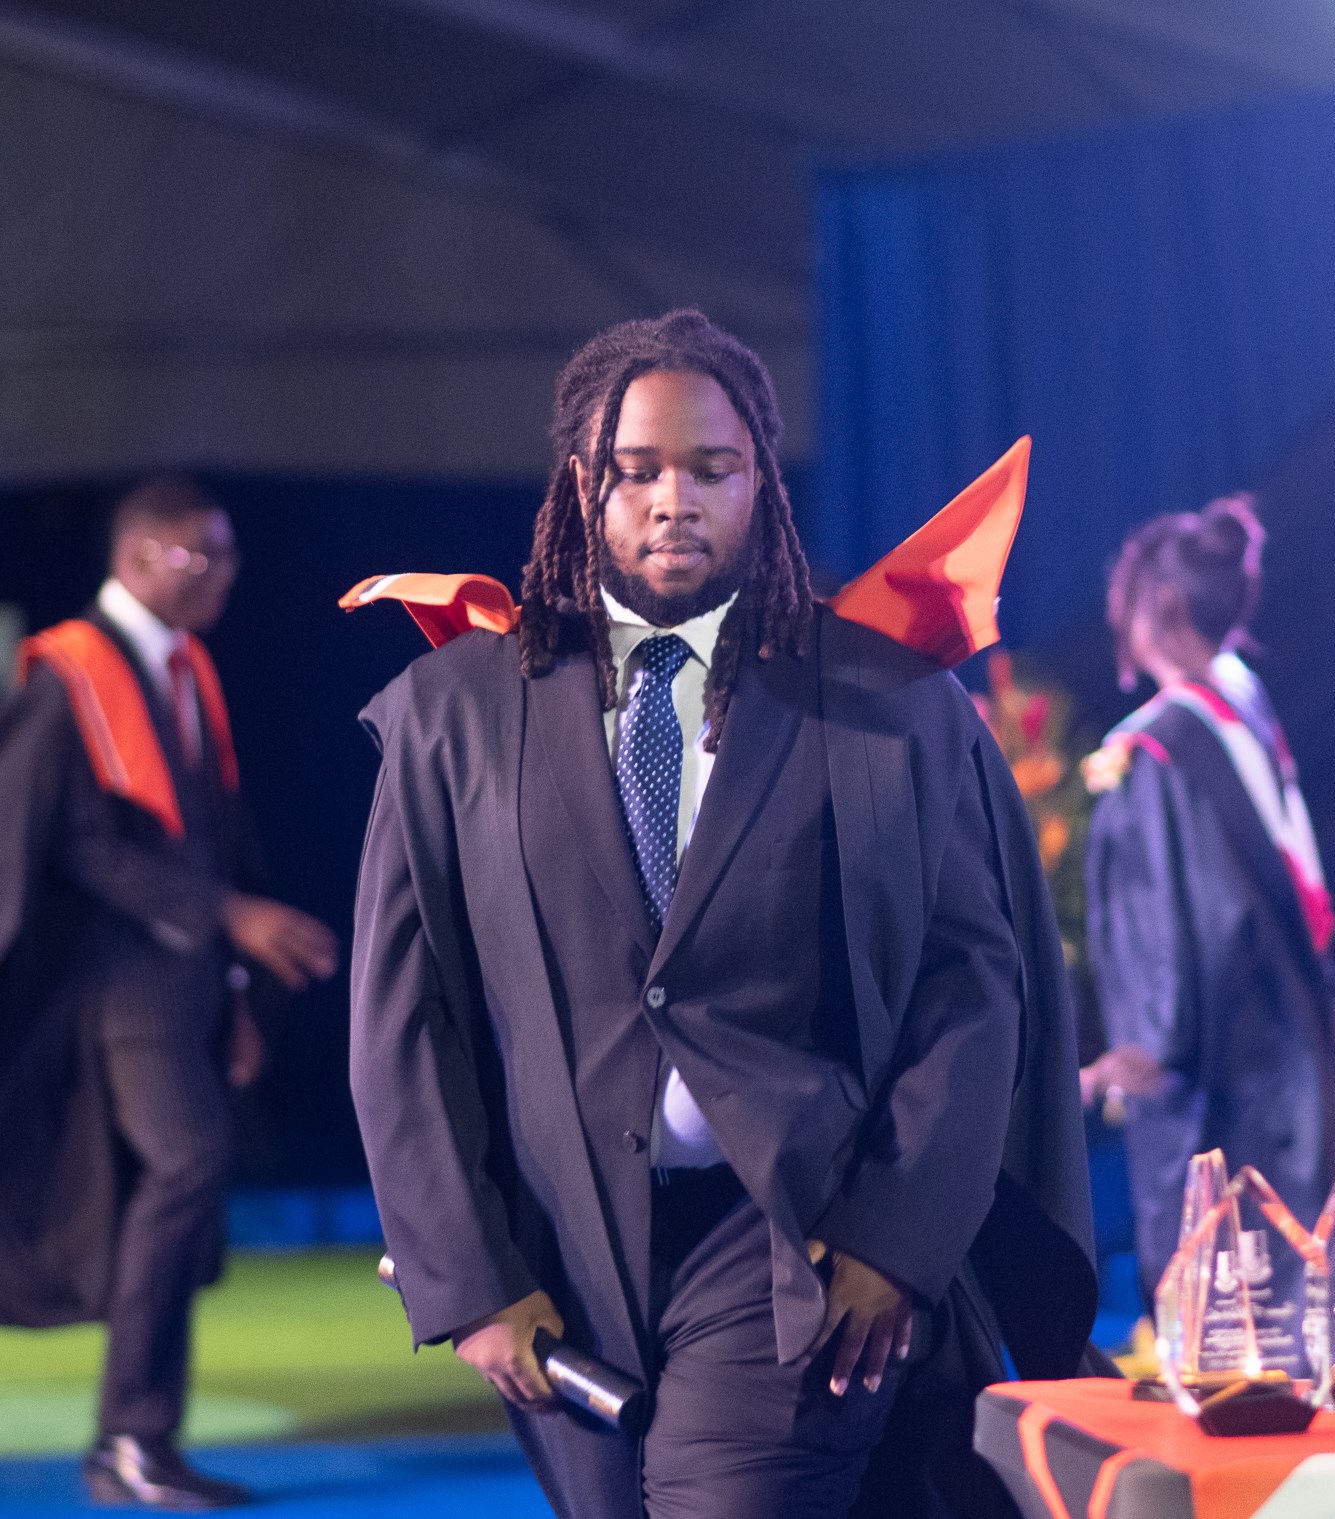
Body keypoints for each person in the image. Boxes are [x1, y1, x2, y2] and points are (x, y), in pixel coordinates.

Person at [347, 310, 1094, 1519]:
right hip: (565, 1250)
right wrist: (467, 1275)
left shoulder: (882, 705)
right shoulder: (453, 716)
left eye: (711, 469)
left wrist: (897, 1234)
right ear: (580, 487)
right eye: (635, 471)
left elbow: (970, 987)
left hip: (794, 1237)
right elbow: (401, 1017)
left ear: (762, 484)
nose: (673, 502)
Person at [0, 475, 339, 1508]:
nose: (227, 571)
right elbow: (79, 846)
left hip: (184, 980)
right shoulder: (72, 674)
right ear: (142, 558)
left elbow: (214, 834)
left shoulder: (184, 669)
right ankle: (130, 1436)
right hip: (115, 985)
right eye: (204, 554)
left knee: (180, 1179)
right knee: (185, 1161)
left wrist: (238, 984)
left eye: (228, 552)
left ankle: (138, 1436)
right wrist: (229, 915)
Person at [1080, 495, 1335, 1303]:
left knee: (1223, 1305)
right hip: (1292, 1035)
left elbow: (1166, 934)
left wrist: (1144, 1048)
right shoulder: (1244, 701)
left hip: (1218, 1076)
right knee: (1296, 1292)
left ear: (1163, 604)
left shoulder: (1155, 748)